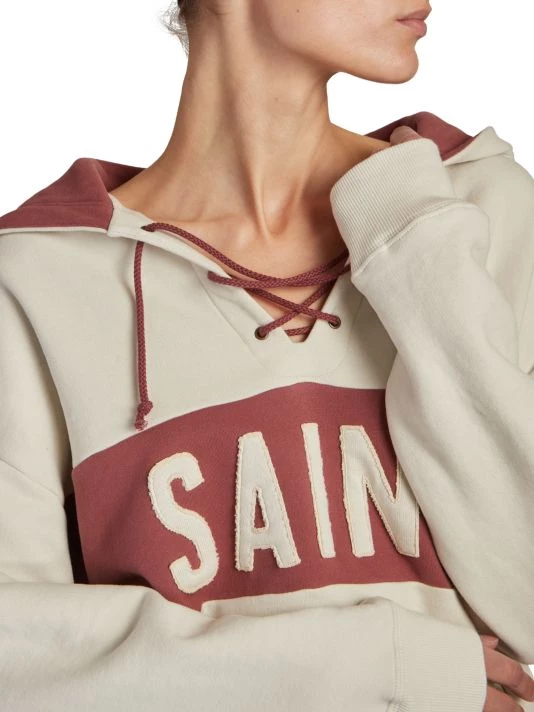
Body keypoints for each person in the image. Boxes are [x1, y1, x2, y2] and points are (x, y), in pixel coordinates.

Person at [1, 1, 533, 710]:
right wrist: (382, 670)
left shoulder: (474, 211)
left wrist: (411, 244)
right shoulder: (36, 281)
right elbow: (20, 658)